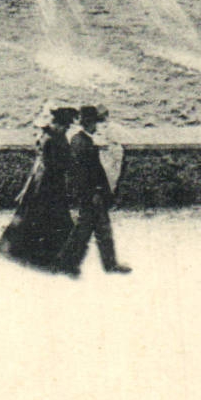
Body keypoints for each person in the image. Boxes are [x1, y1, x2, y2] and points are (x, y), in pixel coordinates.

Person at [0, 105, 79, 271]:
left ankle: (30, 249)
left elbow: (42, 161)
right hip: (50, 182)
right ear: (60, 124)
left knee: (33, 212)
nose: (67, 128)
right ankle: (44, 253)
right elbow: (57, 163)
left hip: (41, 179)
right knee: (46, 213)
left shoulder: (47, 136)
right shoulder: (56, 139)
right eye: (66, 125)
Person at [59, 105, 130, 275]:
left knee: (96, 230)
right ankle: (68, 264)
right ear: (90, 123)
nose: (96, 126)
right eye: (94, 123)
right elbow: (83, 173)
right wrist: (95, 193)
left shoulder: (82, 140)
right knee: (88, 230)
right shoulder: (82, 143)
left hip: (91, 194)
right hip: (91, 195)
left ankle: (104, 264)